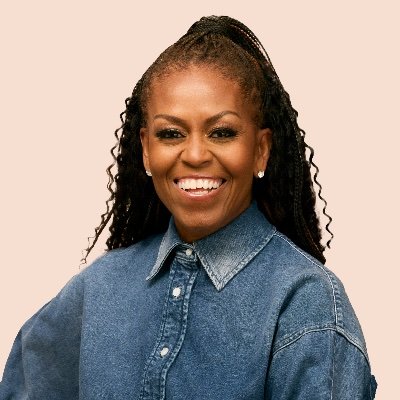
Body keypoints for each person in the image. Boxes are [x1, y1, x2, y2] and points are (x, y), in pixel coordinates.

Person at [0, 16, 377, 399]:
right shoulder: (100, 287)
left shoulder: (305, 302)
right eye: (171, 134)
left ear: (260, 150)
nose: (195, 155)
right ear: (146, 149)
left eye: (222, 133)